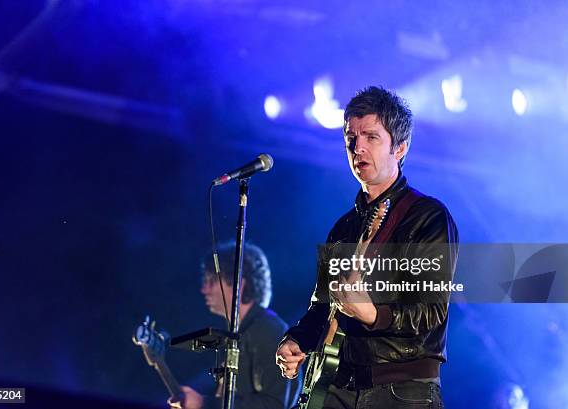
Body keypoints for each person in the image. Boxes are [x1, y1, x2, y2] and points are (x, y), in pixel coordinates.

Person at [275, 86, 459, 408]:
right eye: (351, 137)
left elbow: (432, 309)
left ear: (399, 148)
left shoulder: (427, 217)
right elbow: (322, 306)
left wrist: (375, 315)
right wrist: (297, 339)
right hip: (340, 386)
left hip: (401, 391)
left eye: (371, 137)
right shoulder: (344, 227)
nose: (357, 147)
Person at [170, 241, 300, 409]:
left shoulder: (270, 330)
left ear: (239, 284)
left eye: (212, 280)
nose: (204, 289)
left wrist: (206, 404)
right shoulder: (236, 334)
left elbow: (276, 404)